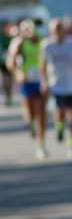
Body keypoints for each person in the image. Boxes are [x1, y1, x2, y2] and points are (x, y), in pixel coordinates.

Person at [41, 18, 72, 159]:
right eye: (55, 29)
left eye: (60, 28)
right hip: (57, 85)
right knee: (60, 112)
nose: (58, 31)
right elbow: (42, 65)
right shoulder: (47, 45)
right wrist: (44, 81)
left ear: (64, 30)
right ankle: (60, 126)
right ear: (51, 31)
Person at [6, 19, 48, 159]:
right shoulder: (19, 43)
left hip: (41, 80)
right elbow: (10, 64)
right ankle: (30, 124)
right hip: (26, 81)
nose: (29, 31)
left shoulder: (43, 41)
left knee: (41, 113)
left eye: (31, 28)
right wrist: (18, 73)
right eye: (25, 29)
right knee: (30, 114)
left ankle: (40, 145)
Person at [0, 23, 14, 106]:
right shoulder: (1, 38)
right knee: (4, 80)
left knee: (9, 80)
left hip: (9, 61)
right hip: (2, 63)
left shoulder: (10, 38)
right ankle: (7, 96)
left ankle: (9, 95)